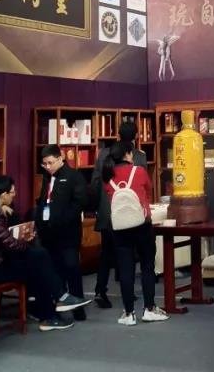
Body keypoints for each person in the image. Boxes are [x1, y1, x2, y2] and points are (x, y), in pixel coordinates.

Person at [0, 176, 87, 332]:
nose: (14, 194)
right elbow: (7, 242)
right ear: (2, 195)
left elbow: (6, 240)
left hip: (1, 261)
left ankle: (52, 310)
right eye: (12, 192)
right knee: (39, 260)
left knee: (39, 262)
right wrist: (26, 243)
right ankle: (56, 304)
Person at [102, 141, 168, 326]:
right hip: (142, 225)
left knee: (125, 269)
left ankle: (129, 313)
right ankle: (149, 309)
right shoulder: (139, 171)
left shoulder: (108, 176)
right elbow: (148, 191)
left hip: (119, 228)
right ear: (128, 154)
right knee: (147, 266)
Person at [92, 121, 148, 309]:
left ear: (117, 134)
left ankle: (100, 289)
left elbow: (95, 182)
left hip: (106, 210)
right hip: (128, 213)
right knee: (129, 253)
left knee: (106, 253)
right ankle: (128, 293)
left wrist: (98, 207)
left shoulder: (103, 154)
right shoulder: (139, 156)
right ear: (136, 136)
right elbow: (143, 187)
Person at [35, 144, 89, 321]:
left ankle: (78, 308)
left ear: (60, 158)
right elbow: (43, 200)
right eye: (44, 164)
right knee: (54, 270)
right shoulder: (46, 177)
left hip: (68, 233)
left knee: (72, 268)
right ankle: (56, 307)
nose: (48, 167)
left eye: (50, 163)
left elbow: (80, 203)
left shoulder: (74, 176)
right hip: (48, 233)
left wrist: (63, 219)